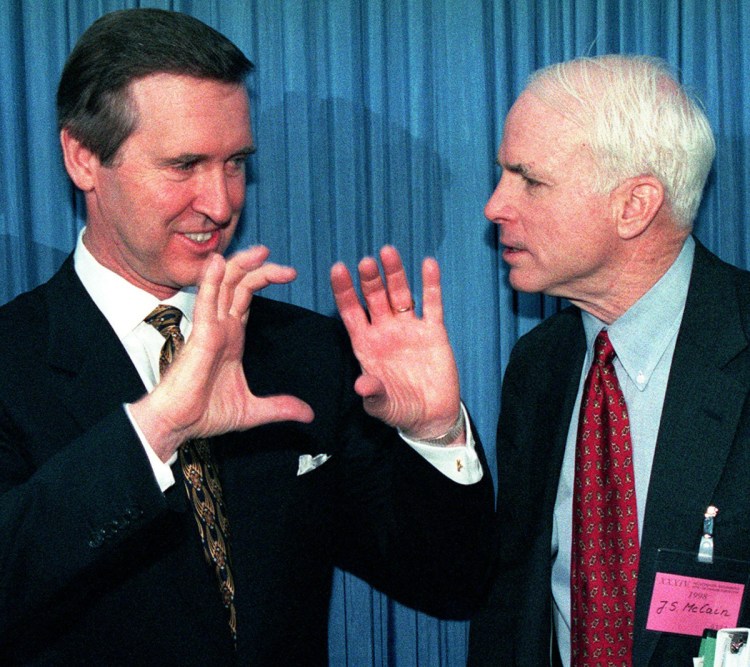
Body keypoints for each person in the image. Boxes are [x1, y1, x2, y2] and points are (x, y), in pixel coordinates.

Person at [0, 8, 494, 665]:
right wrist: (154, 430)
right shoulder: (12, 361)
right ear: (83, 158)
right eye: (184, 164)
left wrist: (434, 435)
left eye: (235, 163)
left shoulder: (309, 353)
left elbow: (452, 581)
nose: (222, 201)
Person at [468, 54, 750, 666]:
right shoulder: (538, 364)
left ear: (634, 205)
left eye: (529, 180)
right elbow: (514, 604)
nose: (495, 205)